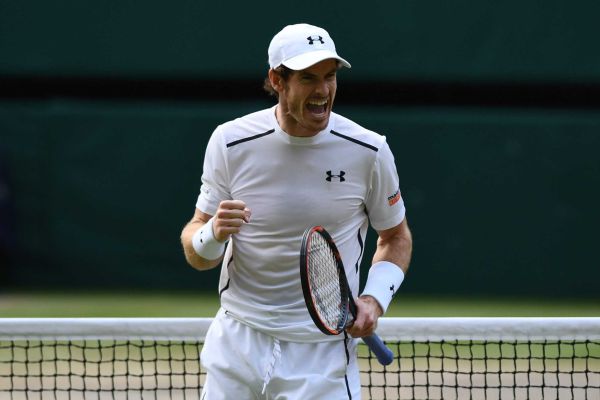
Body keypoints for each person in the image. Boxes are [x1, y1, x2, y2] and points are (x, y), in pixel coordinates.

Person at [180, 23, 413, 400]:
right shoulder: (230, 141)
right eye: (308, 78)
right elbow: (198, 253)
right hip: (238, 343)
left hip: (321, 355)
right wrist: (213, 234)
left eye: (330, 77)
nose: (323, 90)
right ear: (277, 80)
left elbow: (395, 236)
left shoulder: (369, 151)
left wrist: (373, 299)